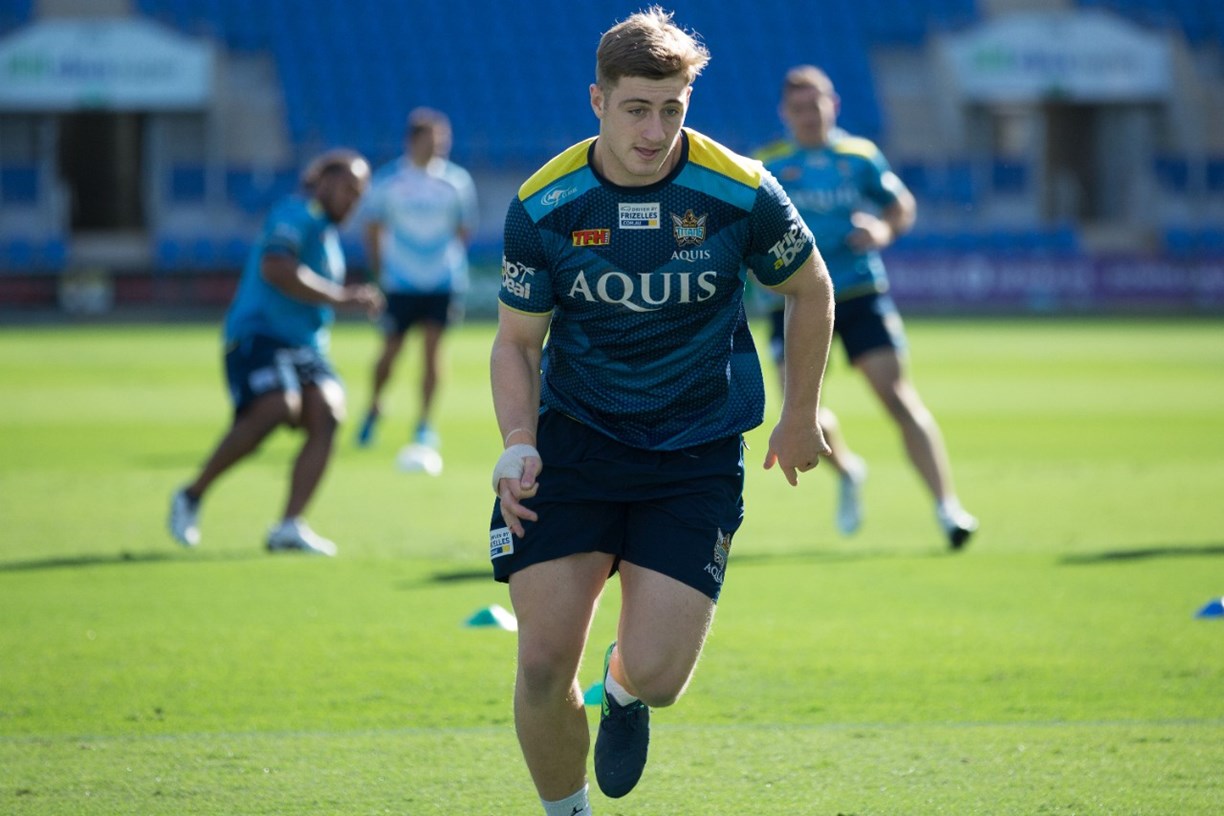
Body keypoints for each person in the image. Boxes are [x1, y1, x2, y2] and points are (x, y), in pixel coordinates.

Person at [487, 9, 835, 815]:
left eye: (671, 109)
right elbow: (516, 343)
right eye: (636, 109)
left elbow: (810, 287)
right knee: (541, 663)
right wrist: (518, 439)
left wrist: (800, 413)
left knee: (660, 677)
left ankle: (623, 685)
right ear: (598, 101)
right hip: (575, 443)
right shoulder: (543, 204)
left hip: (695, 450)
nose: (654, 131)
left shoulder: (740, 189)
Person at [756, 64, 979, 550]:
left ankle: (948, 509)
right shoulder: (766, 164)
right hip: (792, 299)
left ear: (833, 104)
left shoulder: (860, 156)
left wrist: (883, 229)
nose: (809, 114)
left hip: (858, 291)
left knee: (897, 397)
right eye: (798, 107)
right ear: (784, 113)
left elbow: (900, 205)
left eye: (816, 103)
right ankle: (848, 470)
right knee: (803, 410)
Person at [168, 149, 383, 556]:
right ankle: (191, 495)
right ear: (324, 182)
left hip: (305, 345)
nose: (353, 201)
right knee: (277, 406)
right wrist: (342, 296)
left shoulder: (327, 235)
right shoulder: (295, 213)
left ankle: (288, 526)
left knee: (328, 411)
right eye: (348, 189)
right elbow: (276, 267)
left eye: (359, 195)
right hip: (259, 335)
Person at [354, 107, 478, 466]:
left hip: (442, 281)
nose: (439, 145)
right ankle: (374, 407)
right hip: (400, 282)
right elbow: (372, 227)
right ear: (413, 140)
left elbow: (464, 228)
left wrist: (445, 260)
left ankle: (424, 422)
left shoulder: (456, 182)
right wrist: (382, 271)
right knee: (390, 351)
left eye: (443, 139)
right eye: (432, 139)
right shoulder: (389, 181)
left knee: (433, 351)